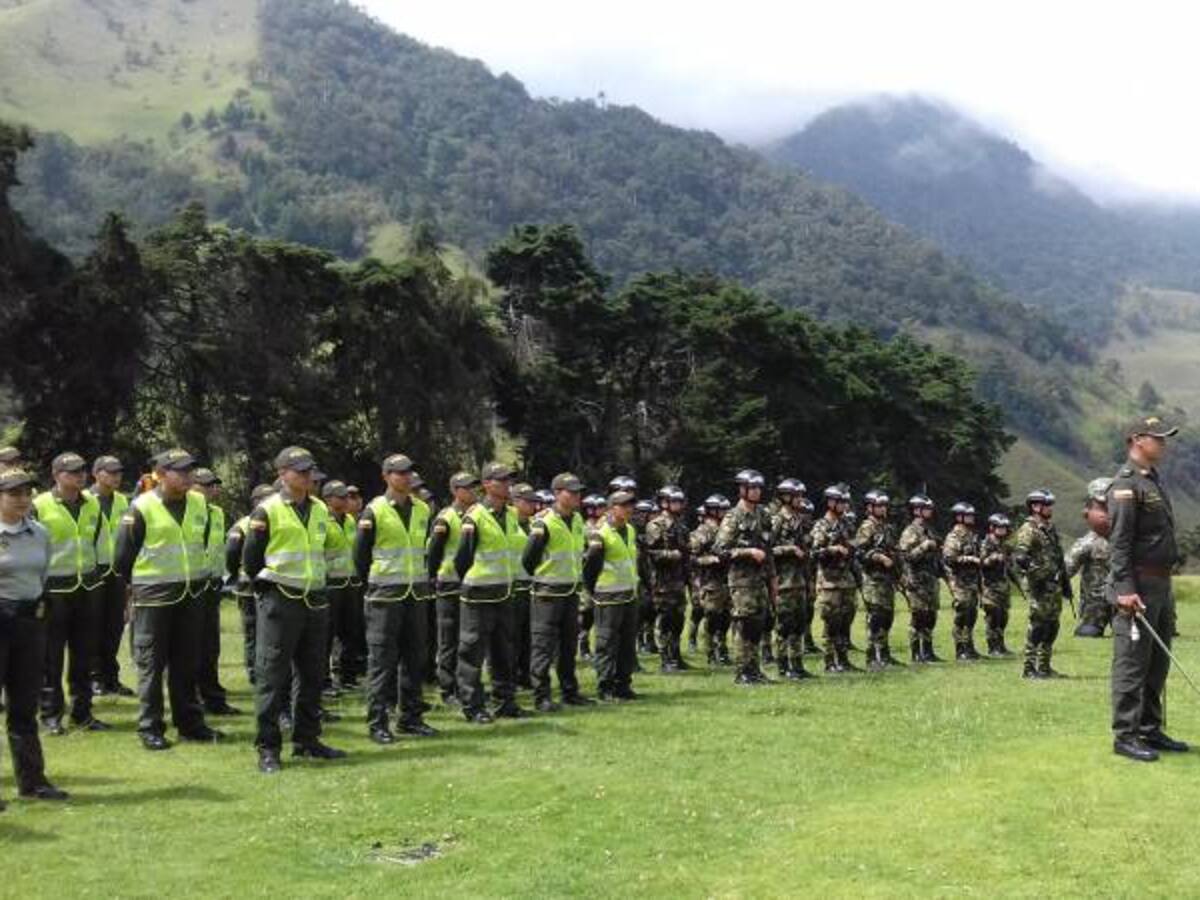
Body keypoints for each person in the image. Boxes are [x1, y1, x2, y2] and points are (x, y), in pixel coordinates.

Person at [242, 446, 346, 773]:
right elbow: (251, 558)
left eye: (309, 471)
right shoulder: (267, 511)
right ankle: (268, 748)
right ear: (283, 474)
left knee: (313, 674)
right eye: (300, 471)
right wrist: (267, 589)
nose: (307, 477)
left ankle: (307, 739)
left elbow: (327, 549)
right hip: (280, 599)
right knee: (272, 675)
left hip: (314, 600)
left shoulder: (318, 509)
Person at [113, 449, 221, 750]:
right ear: (161, 474)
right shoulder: (141, 507)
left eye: (190, 470)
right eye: (180, 471)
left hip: (190, 595)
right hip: (154, 598)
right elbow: (122, 558)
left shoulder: (199, 502)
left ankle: (190, 724)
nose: (188, 476)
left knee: (187, 662)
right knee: (151, 665)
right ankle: (150, 728)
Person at [1109, 416, 1188, 762]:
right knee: (1132, 661)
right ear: (1137, 440)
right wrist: (1125, 589)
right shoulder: (1126, 485)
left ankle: (1149, 728)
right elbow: (1120, 543)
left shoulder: (1152, 481)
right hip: (1137, 584)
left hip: (1160, 583)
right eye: (1158, 438)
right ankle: (1125, 735)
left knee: (1157, 662)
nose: (1163, 444)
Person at [353, 454, 436, 744]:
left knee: (415, 659)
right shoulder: (373, 511)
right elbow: (360, 556)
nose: (406, 477)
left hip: (415, 594)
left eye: (409, 472)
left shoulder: (423, 509)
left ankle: (411, 718)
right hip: (385, 596)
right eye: (400, 473)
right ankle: (377, 723)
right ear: (386, 476)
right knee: (381, 662)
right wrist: (374, 585)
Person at [0, 467, 69, 806]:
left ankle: (33, 781)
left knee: (24, 706)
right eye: (14, 494)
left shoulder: (39, 533)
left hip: (29, 623)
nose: (23, 500)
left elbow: (42, 579)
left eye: (27, 493)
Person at [33, 452, 109, 735]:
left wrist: (100, 577)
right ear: (56, 475)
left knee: (84, 657)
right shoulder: (39, 505)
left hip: (86, 589)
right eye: (72, 472)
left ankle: (83, 713)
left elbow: (100, 543)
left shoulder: (92, 504)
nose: (79, 476)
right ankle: (51, 715)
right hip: (52, 591)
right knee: (50, 658)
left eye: (82, 471)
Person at [453, 462, 527, 722]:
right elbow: (461, 560)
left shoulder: (510, 514)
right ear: (486, 484)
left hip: (504, 593)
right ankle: (473, 706)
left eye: (509, 480)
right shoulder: (474, 516)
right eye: (502, 480)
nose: (508, 484)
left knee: (504, 650)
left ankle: (505, 702)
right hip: (478, 595)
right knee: (472, 652)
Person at [521, 472, 594, 711]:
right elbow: (528, 559)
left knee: (568, 646)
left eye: (578, 492)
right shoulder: (544, 523)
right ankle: (541, 696)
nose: (576, 496)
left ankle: (569, 691)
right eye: (571, 492)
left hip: (570, 591)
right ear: (557, 494)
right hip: (547, 594)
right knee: (543, 647)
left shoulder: (577, 520)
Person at [713, 470, 777, 685]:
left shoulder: (764, 514)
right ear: (742, 490)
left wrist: (772, 579)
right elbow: (721, 550)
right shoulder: (733, 516)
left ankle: (754, 669)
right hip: (741, 581)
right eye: (753, 488)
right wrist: (748, 552)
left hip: (760, 580)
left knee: (758, 624)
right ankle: (742, 671)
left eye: (759, 488)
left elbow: (768, 550)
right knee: (743, 624)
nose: (757, 492)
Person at [582, 490, 643, 701]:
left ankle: (623, 685)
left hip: (628, 595)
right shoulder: (600, 533)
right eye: (624, 505)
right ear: (612, 508)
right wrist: (594, 591)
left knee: (627, 644)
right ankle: (605, 687)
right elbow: (589, 568)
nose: (629, 509)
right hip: (607, 596)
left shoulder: (630, 530)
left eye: (631, 505)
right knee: (606, 643)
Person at [425, 472, 479, 706]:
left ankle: (465, 684)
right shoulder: (446, 518)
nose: (473, 492)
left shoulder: (477, 515)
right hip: (448, 584)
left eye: (474, 487)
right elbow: (434, 552)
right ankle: (447, 689)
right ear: (456, 491)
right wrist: (434, 577)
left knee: (467, 639)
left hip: (470, 583)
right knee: (448, 639)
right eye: (467, 488)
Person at [192, 467, 237, 716]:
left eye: (215, 485)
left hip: (211, 585)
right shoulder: (185, 511)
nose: (213, 489)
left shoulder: (217, 513)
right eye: (207, 485)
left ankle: (213, 697)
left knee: (211, 646)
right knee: (190, 646)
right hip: (190, 585)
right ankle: (193, 697)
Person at [86, 455, 132, 698]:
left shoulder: (123, 500)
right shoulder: (85, 500)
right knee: (93, 626)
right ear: (97, 474)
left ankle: (111, 677)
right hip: (93, 572)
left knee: (115, 626)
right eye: (110, 472)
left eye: (119, 472)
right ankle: (94, 678)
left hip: (116, 572)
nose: (116, 476)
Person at [1012, 488, 1071, 679]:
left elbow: (1056, 556)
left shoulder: (1049, 529)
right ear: (1035, 507)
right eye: (1046, 505)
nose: (1050, 508)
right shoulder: (1029, 529)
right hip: (1039, 586)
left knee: (1052, 626)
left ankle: (1044, 667)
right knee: (1037, 626)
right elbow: (1020, 557)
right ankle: (1029, 668)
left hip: (1053, 586)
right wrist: (1036, 575)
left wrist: (1063, 581)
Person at [225, 483, 275, 685]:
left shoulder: (276, 520)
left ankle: (266, 668)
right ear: (257, 502)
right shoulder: (243, 524)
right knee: (253, 629)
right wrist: (236, 575)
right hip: (248, 586)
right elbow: (231, 554)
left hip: (270, 583)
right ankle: (254, 671)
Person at [810, 485, 859, 674]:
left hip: (847, 580)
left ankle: (843, 659)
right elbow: (814, 553)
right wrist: (832, 549)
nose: (844, 506)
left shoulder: (846, 524)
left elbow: (855, 545)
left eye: (846, 502)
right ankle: (830, 661)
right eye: (841, 502)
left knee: (845, 622)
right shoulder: (821, 525)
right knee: (831, 622)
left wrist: (850, 547)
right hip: (829, 582)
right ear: (831, 502)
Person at [644, 485, 691, 672]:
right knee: (665, 620)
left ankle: (676, 655)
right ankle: (665, 658)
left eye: (680, 501)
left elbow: (687, 551)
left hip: (678, 581)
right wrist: (674, 555)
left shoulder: (681, 526)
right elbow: (652, 553)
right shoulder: (655, 525)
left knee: (678, 619)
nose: (678, 505)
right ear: (664, 503)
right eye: (674, 501)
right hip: (662, 582)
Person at [770, 479, 813, 679]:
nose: (801, 500)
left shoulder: (800, 520)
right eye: (797, 496)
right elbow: (768, 549)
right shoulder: (777, 519)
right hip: (784, 581)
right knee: (784, 625)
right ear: (786, 497)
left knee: (799, 623)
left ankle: (797, 664)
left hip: (799, 580)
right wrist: (789, 549)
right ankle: (782, 664)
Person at [855, 490, 902, 670]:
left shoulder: (886, 528)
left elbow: (894, 550)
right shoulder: (867, 526)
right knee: (875, 617)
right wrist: (878, 557)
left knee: (887, 616)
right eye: (879, 506)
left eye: (884, 506)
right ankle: (871, 656)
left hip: (887, 579)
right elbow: (860, 552)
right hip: (873, 579)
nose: (883, 509)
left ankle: (884, 653)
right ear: (870, 507)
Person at [321, 480, 356, 693]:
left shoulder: (351, 520)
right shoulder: (322, 521)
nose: (345, 501)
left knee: (349, 632)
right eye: (341, 497)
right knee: (326, 635)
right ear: (328, 499)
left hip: (350, 583)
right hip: (329, 584)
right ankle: (324, 680)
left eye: (347, 497)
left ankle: (347, 676)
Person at [899, 495, 943, 663]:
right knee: (918, 616)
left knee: (931, 616)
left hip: (931, 579)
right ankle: (916, 652)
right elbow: (907, 556)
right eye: (926, 508)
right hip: (916, 580)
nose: (930, 511)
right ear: (917, 510)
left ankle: (928, 649)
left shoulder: (930, 530)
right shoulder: (910, 531)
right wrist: (924, 546)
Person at [1067, 478, 1113, 638]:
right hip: (1094, 604)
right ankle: (1093, 622)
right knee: (1088, 631)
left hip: (1124, 600)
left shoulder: (1128, 541)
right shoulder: (1088, 543)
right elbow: (1067, 567)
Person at [689, 495, 732, 666]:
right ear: (712, 511)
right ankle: (710, 652)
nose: (724, 513)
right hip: (709, 581)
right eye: (721, 510)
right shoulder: (701, 532)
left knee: (725, 618)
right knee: (712, 617)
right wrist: (710, 560)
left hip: (727, 579)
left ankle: (722, 650)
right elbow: (692, 558)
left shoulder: (727, 530)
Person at [943, 501, 984, 661]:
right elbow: (949, 558)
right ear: (959, 517)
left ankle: (969, 646)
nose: (971, 518)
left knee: (971, 615)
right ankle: (960, 649)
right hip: (959, 582)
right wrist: (970, 559)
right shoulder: (954, 536)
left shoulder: (971, 536)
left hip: (972, 582)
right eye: (968, 515)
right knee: (962, 615)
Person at [510, 483, 538, 689]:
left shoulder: (535, 524)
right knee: (511, 636)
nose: (532, 505)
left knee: (528, 636)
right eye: (528, 501)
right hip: (511, 586)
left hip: (530, 586)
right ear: (516, 501)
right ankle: (509, 676)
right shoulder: (506, 522)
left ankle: (525, 675)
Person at [979, 514, 1015, 657]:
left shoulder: (1005, 545)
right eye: (1000, 528)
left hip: (1003, 586)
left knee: (1003, 617)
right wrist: (993, 558)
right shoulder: (986, 543)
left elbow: (1010, 564)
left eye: (1004, 528)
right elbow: (981, 562)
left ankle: (1001, 645)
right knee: (993, 617)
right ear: (992, 527)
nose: (1003, 531)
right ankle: (992, 647)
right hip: (990, 586)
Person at [578, 493, 608, 660]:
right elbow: (579, 550)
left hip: (605, 575)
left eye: (599, 507)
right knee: (587, 610)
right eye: (592, 508)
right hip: (587, 574)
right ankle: (583, 645)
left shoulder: (606, 527)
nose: (596, 511)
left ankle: (601, 647)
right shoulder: (583, 528)